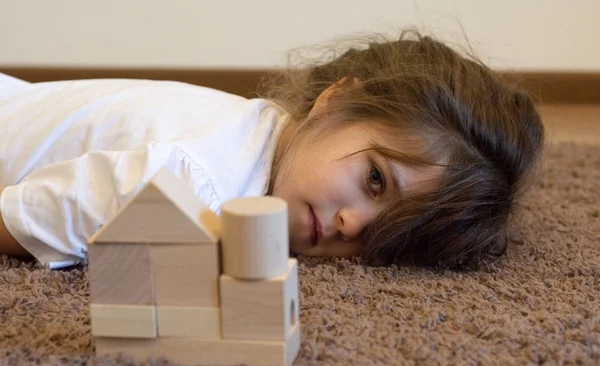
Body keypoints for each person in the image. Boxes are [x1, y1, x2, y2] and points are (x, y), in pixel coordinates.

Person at [0, 30, 545, 270]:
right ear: (335, 100)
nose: (352, 225)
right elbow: (28, 217)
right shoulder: (198, 184)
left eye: (384, 236)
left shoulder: (260, 129)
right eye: (376, 180)